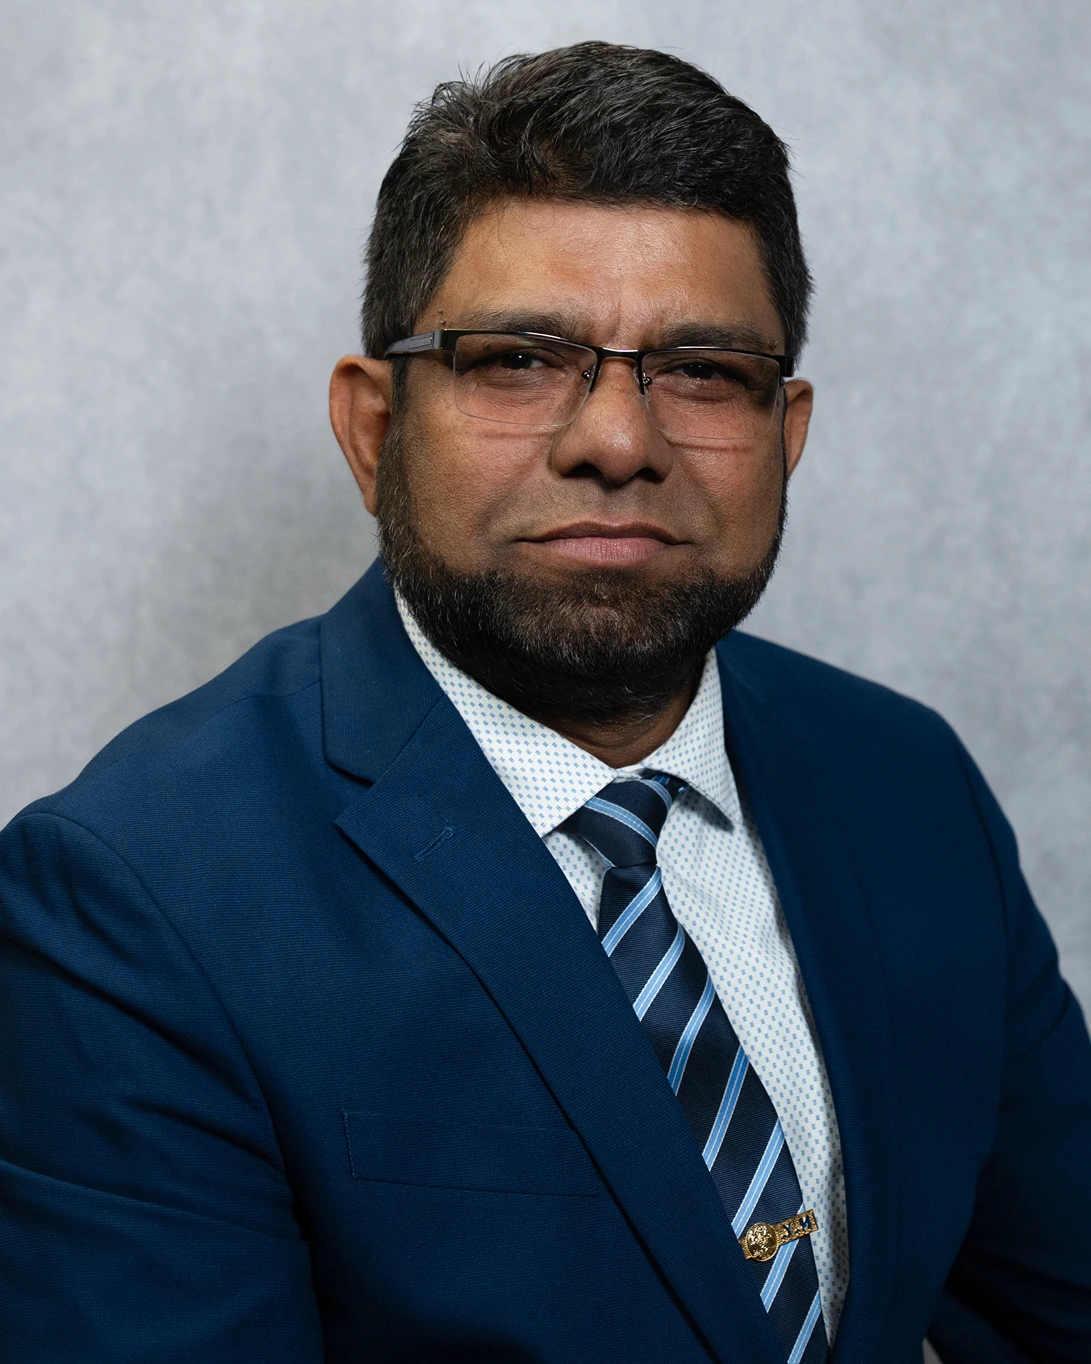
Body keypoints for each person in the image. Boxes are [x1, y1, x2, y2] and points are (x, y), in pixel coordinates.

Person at [0, 40, 1088, 1364]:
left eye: (701, 369)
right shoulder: (136, 898)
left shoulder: (905, 784)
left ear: (784, 431)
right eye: (517, 357)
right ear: (372, 426)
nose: (617, 441)